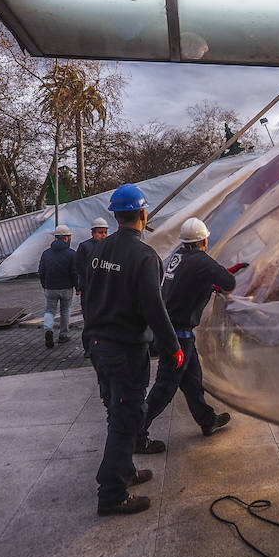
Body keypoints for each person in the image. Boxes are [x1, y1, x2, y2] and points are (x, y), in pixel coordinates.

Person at [83, 184, 180, 516]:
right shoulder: (144, 256)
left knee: (117, 411)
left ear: (115, 216)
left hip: (98, 346)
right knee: (126, 418)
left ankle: (124, 470)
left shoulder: (96, 251)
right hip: (125, 350)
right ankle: (111, 493)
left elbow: (88, 298)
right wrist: (172, 346)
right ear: (143, 214)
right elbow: (155, 308)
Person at [134, 217, 235, 454]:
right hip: (177, 337)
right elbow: (229, 282)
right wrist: (216, 280)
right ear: (204, 239)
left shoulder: (178, 257)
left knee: (192, 381)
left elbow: (187, 284)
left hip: (172, 331)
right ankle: (136, 434)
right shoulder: (201, 261)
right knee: (164, 388)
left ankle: (207, 420)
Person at [37, 224, 79, 348]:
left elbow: (41, 270)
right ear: (66, 238)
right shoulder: (71, 254)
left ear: (55, 238)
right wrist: (77, 287)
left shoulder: (46, 253)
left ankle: (48, 329)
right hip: (66, 288)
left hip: (50, 287)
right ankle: (63, 335)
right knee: (65, 311)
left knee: (50, 310)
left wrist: (44, 284)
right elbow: (74, 272)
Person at [75, 217, 109, 358]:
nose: (103, 235)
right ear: (93, 233)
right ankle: (88, 348)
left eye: (105, 232)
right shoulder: (84, 247)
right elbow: (79, 267)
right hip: (89, 290)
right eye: (100, 232)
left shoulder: (108, 246)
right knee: (89, 320)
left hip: (104, 290)